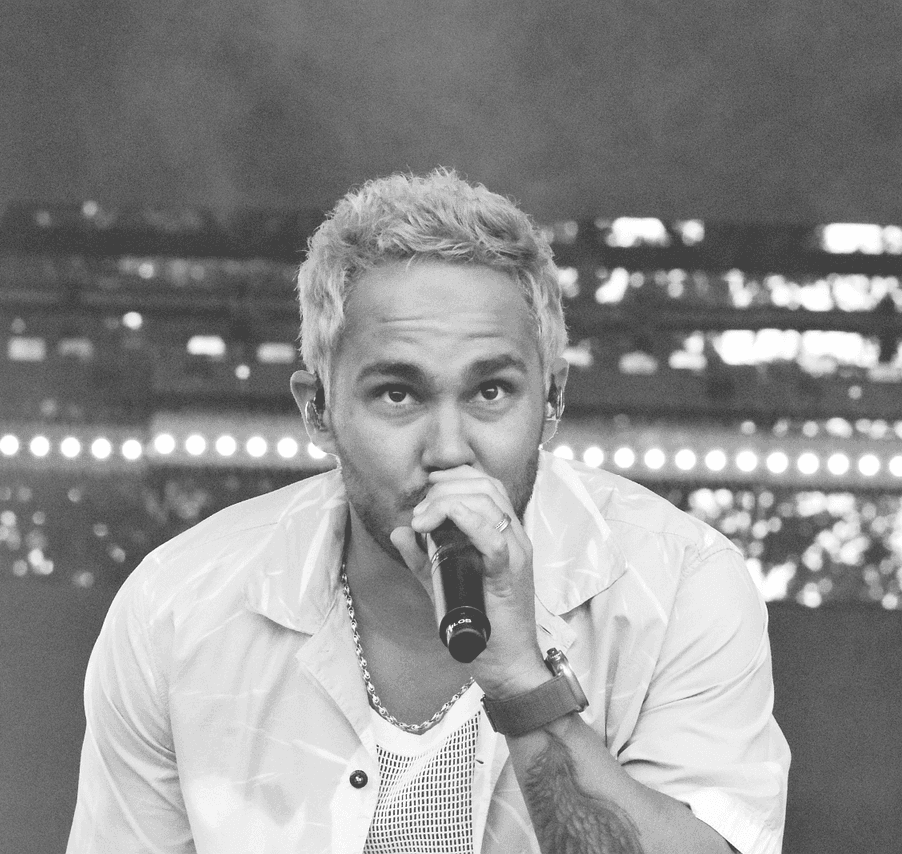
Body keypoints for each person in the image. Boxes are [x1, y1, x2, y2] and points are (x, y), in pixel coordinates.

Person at [67, 169, 789, 853]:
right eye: (398, 393)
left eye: (491, 392)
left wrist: (521, 681)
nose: (449, 450)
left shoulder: (681, 583)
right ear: (318, 410)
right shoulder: (178, 608)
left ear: (553, 400)